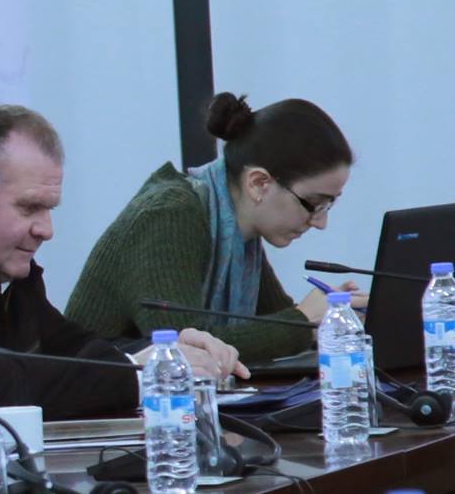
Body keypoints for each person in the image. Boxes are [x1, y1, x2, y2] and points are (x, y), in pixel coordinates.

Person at [0, 105, 246, 421]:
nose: (46, 230)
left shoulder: (7, 269)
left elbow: (69, 348)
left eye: (49, 209)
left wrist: (166, 353)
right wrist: (136, 374)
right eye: (29, 208)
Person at [66, 93, 361, 363]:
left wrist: (337, 320)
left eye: (329, 205)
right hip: (98, 396)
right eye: (314, 203)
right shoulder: (170, 213)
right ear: (259, 183)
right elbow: (187, 349)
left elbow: (274, 324)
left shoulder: (238, 228)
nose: (320, 222)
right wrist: (304, 322)